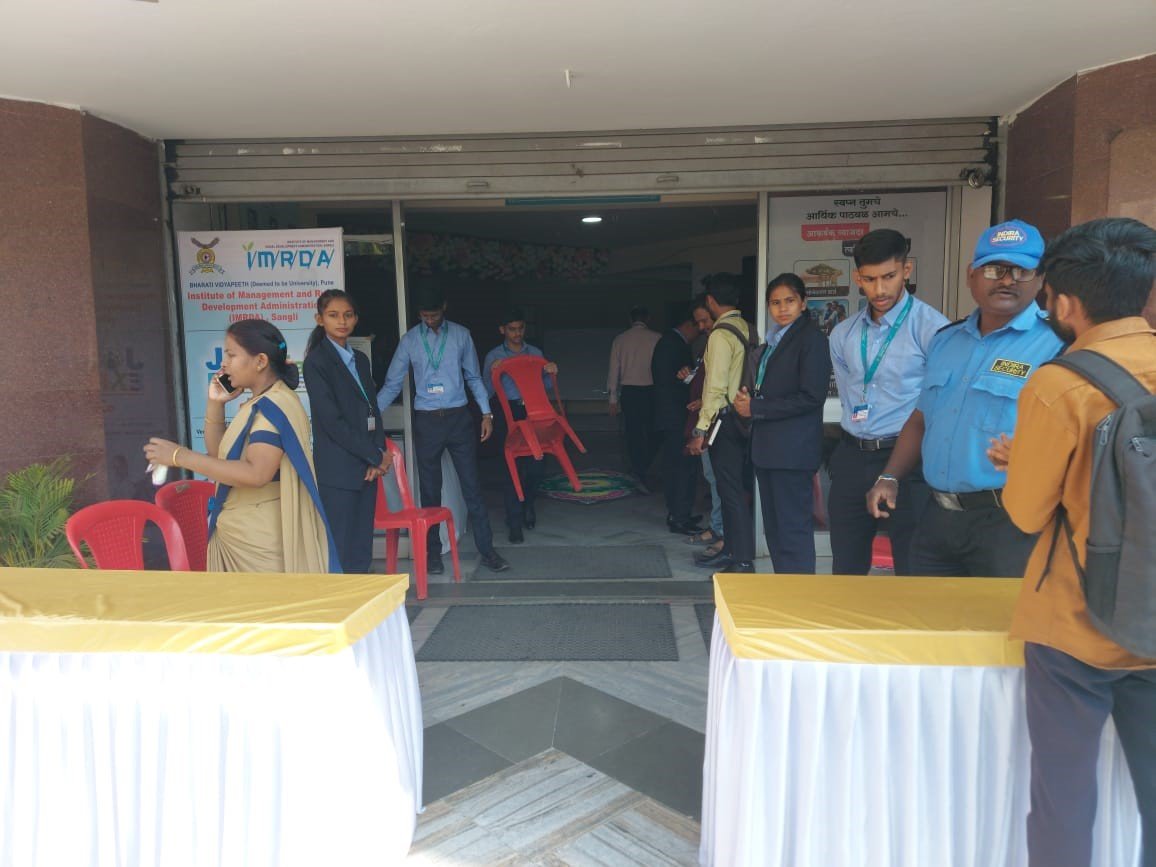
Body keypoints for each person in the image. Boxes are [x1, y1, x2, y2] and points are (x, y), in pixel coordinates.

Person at [989, 217, 1156, 867]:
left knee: (1064, 797)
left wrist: (1022, 466)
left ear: (1063, 302)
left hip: (1077, 621)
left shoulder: (1059, 384)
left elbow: (1028, 512)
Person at [863, 220, 1063, 577]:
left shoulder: (1059, 343)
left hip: (1009, 522)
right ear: (972, 275)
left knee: (998, 614)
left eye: (1021, 270)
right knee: (926, 610)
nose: (1007, 280)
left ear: (1041, 279)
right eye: (995, 269)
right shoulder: (946, 340)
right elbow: (921, 419)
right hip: (937, 517)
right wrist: (890, 476)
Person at [143, 319, 338, 573]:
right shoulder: (265, 401)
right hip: (246, 531)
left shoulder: (272, 407)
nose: (224, 363)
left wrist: (180, 456)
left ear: (260, 361)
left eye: (231, 355)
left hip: (258, 541)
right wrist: (216, 403)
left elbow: (257, 474)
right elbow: (220, 457)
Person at [827, 229, 949, 574]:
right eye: (869, 279)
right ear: (857, 278)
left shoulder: (933, 329)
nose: (879, 289)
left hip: (908, 460)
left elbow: (938, 406)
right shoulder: (843, 334)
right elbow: (850, 394)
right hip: (852, 454)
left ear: (906, 270)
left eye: (889, 277)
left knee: (912, 566)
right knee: (846, 566)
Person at [376, 288, 510, 573]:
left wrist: (486, 413)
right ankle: (433, 554)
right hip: (427, 421)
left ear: (444, 308)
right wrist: (370, 415)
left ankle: (488, 551)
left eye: (434, 315)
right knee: (429, 492)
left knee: (472, 487)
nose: (430, 320)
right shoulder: (410, 340)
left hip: (459, 418)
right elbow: (392, 383)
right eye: (425, 316)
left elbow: (474, 377)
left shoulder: (461, 335)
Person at [733, 273, 832, 573]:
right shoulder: (775, 340)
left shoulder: (811, 339)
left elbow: (811, 397)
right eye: (775, 303)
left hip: (792, 452)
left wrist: (756, 407)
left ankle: (798, 594)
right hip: (768, 449)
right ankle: (783, 589)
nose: (782, 308)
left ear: (803, 303)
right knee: (775, 530)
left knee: (792, 531)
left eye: (789, 301)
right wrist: (748, 400)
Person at [303, 290, 389, 574]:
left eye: (348, 315)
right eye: (333, 315)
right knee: (341, 546)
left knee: (362, 546)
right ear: (320, 319)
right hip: (338, 469)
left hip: (367, 466)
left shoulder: (360, 359)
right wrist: (373, 455)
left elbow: (372, 410)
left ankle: (363, 598)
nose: (342, 321)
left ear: (356, 319)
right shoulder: (317, 362)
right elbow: (333, 422)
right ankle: (344, 601)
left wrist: (379, 452)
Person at [688, 273, 755, 573]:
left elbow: (715, 387)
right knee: (734, 489)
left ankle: (740, 558)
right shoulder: (747, 328)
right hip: (743, 417)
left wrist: (700, 430)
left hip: (723, 421)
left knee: (729, 492)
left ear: (711, 301)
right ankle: (731, 549)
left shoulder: (719, 334)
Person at [482, 308, 558, 544]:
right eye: (512, 329)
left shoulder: (535, 353)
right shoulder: (494, 356)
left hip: (534, 411)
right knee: (511, 467)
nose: (517, 333)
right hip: (508, 412)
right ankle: (514, 522)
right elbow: (486, 391)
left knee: (537, 466)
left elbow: (546, 385)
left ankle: (528, 503)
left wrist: (551, 372)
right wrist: (493, 373)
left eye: (520, 328)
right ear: (502, 330)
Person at [651, 305, 704, 535]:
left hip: (671, 415)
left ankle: (681, 513)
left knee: (678, 465)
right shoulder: (673, 344)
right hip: (677, 415)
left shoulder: (667, 342)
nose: (700, 330)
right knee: (681, 467)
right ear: (688, 324)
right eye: (698, 326)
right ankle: (679, 517)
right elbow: (676, 382)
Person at [683, 293, 724, 552]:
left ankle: (723, 532)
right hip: (707, 417)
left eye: (704, 320)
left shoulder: (725, 339)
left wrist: (705, 403)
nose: (701, 327)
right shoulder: (709, 342)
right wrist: (690, 376)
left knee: (719, 479)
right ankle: (718, 527)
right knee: (712, 477)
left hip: (717, 421)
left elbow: (725, 385)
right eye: (697, 322)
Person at [607, 305, 661, 488]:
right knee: (653, 431)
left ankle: (638, 468)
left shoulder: (620, 339)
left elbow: (614, 370)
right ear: (648, 319)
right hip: (652, 391)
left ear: (630, 320)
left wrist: (613, 399)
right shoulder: (657, 338)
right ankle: (646, 464)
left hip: (630, 392)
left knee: (633, 432)